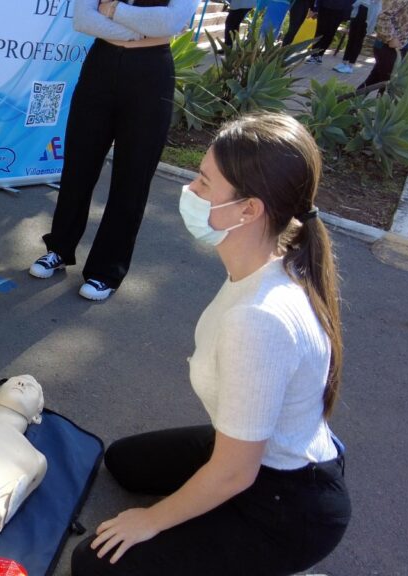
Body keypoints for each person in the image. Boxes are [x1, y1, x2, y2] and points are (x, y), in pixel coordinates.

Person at [71, 113, 351, 575]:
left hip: (286, 506)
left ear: (249, 210)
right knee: (124, 462)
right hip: (250, 451)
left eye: (204, 182)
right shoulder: (273, 256)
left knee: (94, 563)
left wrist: (150, 521)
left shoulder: (259, 319)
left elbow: (235, 473)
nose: (189, 191)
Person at [29, 0, 200, 302]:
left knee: (133, 177)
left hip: (151, 74)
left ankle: (106, 271)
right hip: (100, 65)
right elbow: (83, 19)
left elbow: (169, 23)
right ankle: (59, 249)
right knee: (78, 166)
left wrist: (113, 11)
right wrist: (139, 31)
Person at [357, 0, 408, 89]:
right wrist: (391, 38)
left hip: (407, 51)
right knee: (390, 87)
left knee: (373, 80)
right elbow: (384, 16)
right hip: (388, 46)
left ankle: (352, 97)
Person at [332, 0, 382, 73]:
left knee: (358, 40)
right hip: (358, 10)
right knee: (351, 39)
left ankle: (350, 65)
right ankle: (344, 62)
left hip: (368, 13)